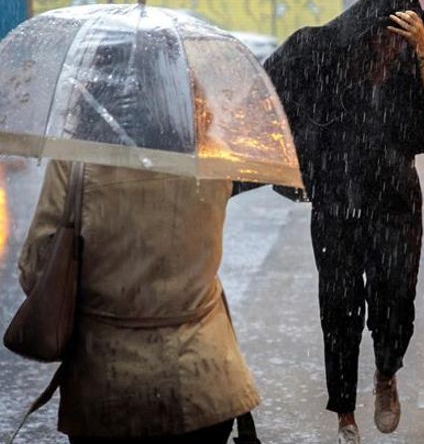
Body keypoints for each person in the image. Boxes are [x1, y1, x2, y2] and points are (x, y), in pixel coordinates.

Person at [263, 0, 424, 443]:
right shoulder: (325, 58)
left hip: (394, 203)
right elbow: (271, 97)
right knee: (339, 308)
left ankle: (386, 373)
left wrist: (423, 47)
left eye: (398, 39)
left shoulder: (408, 65)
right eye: (383, 37)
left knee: (395, 298)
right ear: (363, 33)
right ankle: (345, 413)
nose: (387, 47)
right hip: (335, 204)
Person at [18, 160, 260, 443]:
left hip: (106, 384)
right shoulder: (211, 155)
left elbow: (37, 272)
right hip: (204, 379)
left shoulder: (75, 161)